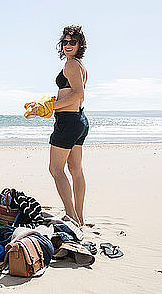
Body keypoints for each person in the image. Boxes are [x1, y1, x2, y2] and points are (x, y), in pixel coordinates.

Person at [48, 26, 89, 226]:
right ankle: (79, 217)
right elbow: (72, 93)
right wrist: (52, 102)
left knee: (56, 169)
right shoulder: (79, 65)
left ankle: (71, 217)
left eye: (72, 42)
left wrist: (51, 107)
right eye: (65, 42)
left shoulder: (72, 64)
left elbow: (78, 94)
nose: (68, 45)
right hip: (79, 120)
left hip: (68, 121)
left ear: (80, 44)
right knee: (76, 169)